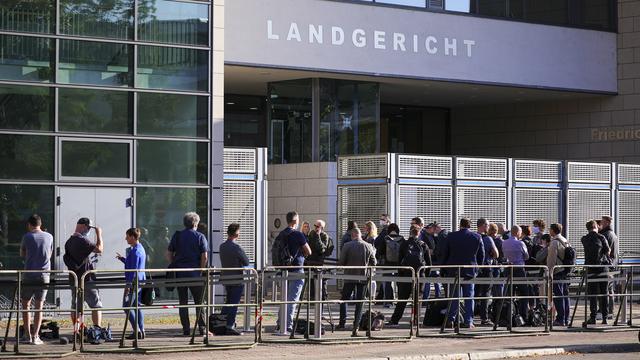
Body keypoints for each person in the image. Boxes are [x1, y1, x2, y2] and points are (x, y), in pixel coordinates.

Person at [166, 212, 209, 336]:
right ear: (195, 223)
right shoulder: (200, 236)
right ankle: (202, 328)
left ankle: (186, 329)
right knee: (199, 302)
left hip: (180, 274)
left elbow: (168, 253)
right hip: (195, 274)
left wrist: (175, 264)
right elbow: (204, 256)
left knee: (183, 302)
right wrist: (201, 270)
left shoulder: (177, 236)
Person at [440, 218, 484, 328]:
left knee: (454, 297)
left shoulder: (451, 236)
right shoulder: (477, 237)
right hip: (469, 270)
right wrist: (477, 267)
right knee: (469, 297)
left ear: (460, 225)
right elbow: (481, 255)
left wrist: (444, 268)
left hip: (454, 270)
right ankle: (468, 321)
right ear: (470, 225)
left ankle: (451, 320)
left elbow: (445, 253)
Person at [64, 217, 103, 334]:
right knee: (96, 305)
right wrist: (99, 234)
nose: (89, 230)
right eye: (89, 228)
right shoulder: (82, 241)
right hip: (86, 279)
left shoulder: (69, 241)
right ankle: (97, 330)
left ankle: (79, 329)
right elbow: (100, 249)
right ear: (84, 226)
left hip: (74, 279)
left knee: (76, 306)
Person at [275, 211, 311, 335]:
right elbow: (308, 251)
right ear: (295, 221)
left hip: (284, 270)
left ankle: (280, 323)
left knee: (284, 299)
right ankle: (287, 325)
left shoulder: (281, 234)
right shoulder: (298, 234)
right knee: (292, 299)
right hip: (296, 270)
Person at [20, 214, 53, 345]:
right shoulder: (49, 236)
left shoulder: (27, 237)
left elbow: (22, 254)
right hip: (44, 275)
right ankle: (36, 337)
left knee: (25, 305)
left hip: (29, 274)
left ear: (29, 224)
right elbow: (49, 254)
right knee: (39, 306)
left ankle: (27, 335)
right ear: (40, 224)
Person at [338, 227, 376, 336]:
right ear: (359, 234)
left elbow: (341, 262)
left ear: (352, 235)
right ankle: (356, 326)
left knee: (344, 300)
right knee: (360, 302)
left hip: (349, 277)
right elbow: (374, 262)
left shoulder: (347, 246)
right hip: (363, 278)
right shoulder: (368, 246)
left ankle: (342, 322)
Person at [389, 225, 430, 326]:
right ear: (419, 233)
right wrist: (425, 275)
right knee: (417, 300)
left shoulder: (404, 244)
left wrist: (400, 274)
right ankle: (415, 320)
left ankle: (395, 320)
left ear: (410, 233)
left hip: (406, 275)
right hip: (419, 275)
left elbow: (400, 260)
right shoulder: (423, 244)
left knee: (402, 299)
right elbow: (429, 263)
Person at [219, 223, 250, 335]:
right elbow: (246, 262)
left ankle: (221, 324)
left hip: (226, 278)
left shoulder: (222, 246)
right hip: (237, 279)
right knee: (234, 303)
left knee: (228, 302)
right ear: (237, 233)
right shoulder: (237, 248)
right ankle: (230, 325)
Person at [116, 228, 146, 340]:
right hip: (140, 281)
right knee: (137, 306)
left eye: (127, 236)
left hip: (133, 283)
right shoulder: (140, 248)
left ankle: (136, 330)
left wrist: (128, 286)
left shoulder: (134, 251)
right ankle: (142, 330)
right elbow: (133, 264)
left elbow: (133, 270)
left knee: (126, 306)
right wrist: (123, 259)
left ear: (133, 237)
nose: (126, 238)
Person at [581, 219, 611, 325]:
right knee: (604, 293)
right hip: (603, 269)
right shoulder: (601, 237)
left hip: (591, 269)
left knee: (592, 294)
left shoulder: (584, 239)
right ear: (596, 227)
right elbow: (608, 250)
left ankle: (592, 317)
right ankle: (605, 318)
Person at [502, 225, 530, 321]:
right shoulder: (520, 243)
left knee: (509, 293)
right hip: (519, 269)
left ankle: (509, 315)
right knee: (524, 292)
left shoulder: (504, 243)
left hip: (508, 269)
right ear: (518, 232)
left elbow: (504, 255)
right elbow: (526, 256)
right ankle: (524, 315)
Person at [475, 218, 499, 326]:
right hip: (486, 268)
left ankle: (470, 317)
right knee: (486, 293)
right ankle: (484, 318)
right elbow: (496, 253)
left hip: (475, 269)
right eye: (488, 225)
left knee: (474, 293)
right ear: (484, 225)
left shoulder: (473, 237)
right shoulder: (488, 238)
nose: (489, 227)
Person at [547, 223, 570, 326]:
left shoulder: (554, 242)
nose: (549, 231)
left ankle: (560, 319)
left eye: (550, 229)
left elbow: (551, 259)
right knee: (565, 295)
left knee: (558, 296)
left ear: (553, 230)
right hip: (565, 271)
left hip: (557, 271)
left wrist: (549, 272)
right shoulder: (565, 240)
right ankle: (566, 318)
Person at [306, 219, 333, 300]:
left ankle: (322, 298)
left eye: (317, 226)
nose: (315, 227)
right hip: (311, 262)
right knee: (311, 281)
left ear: (322, 228)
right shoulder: (311, 234)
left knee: (321, 281)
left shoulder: (325, 236)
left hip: (320, 263)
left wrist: (318, 236)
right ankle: (311, 298)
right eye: (315, 225)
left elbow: (322, 249)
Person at [599, 215, 618, 318]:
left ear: (607, 222)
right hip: (612, 264)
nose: (600, 224)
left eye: (602, 222)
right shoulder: (613, 234)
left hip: (607, 265)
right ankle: (609, 311)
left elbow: (605, 250)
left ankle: (606, 311)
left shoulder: (606, 235)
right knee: (609, 289)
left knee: (605, 289)